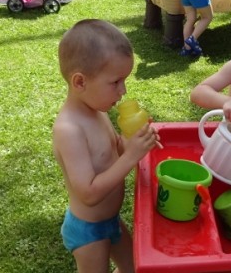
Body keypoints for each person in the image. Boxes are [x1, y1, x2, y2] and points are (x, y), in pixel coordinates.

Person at [53, 19, 160, 273]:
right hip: (88, 231)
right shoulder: (69, 129)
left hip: (111, 220)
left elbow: (114, 153)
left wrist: (132, 141)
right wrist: (131, 156)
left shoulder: (98, 111)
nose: (123, 91)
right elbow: (88, 193)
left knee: (134, 267)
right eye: (115, 82)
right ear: (80, 82)